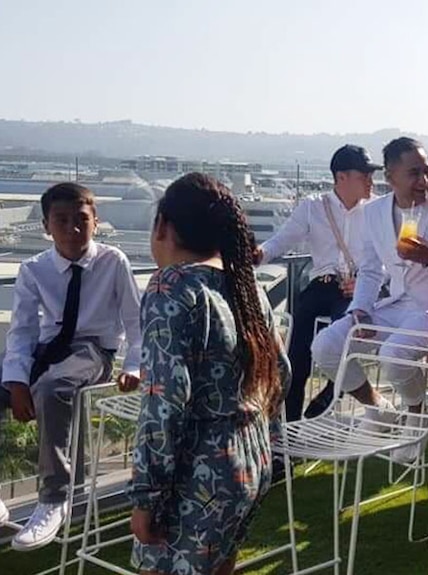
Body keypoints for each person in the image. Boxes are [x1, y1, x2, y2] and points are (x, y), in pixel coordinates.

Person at [128, 173, 289, 575]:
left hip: (198, 472)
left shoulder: (172, 287)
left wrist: (146, 496)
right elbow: (281, 373)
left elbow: (164, 402)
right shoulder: (244, 285)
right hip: (250, 458)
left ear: (163, 224)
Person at [310, 137, 428, 463]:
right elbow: (371, 269)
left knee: (393, 354)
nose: (424, 180)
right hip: (397, 304)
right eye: (414, 173)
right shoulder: (372, 212)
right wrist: (359, 309)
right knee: (326, 346)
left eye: (427, 171)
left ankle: (415, 419)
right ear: (391, 177)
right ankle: (378, 408)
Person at [0, 183, 141, 551]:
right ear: (46, 226)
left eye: (81, 220)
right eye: (61, 221)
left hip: (94, 350)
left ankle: (54, 497)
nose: (72, 229)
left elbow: (136, 324)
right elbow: (23, 330)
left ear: (96, 221)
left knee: (53, 387)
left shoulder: (114, 262)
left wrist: (134, 366)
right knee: (16, 380)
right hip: (48, 347)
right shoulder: (34, 269)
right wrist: (15, 380)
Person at [254, 144, 379, 421]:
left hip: (355, 289)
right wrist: (259, 255)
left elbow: (388, 258)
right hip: (321, 285)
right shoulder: (314, 207)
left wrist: (364, 284)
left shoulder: (376, 210)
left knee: (344, 342)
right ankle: (291, 430)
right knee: (296, 358)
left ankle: (331, 395)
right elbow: (282, 241)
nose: (371, 181)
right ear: (341, 177)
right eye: (364, 175)